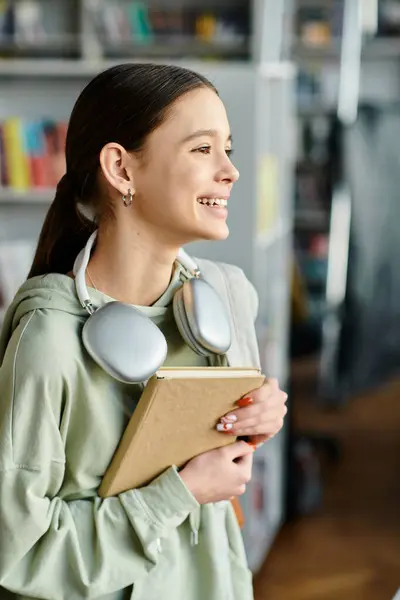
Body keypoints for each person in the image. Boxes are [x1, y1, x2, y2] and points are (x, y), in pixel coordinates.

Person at [0, 63, 288, 600]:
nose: (231, 171)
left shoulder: (227, 296)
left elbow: (227, 463)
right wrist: (177, 494)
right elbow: (16, 555)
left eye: (228, 149)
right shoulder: (48, 343)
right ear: (121, 169)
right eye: (202, 150)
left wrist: (259, 415)